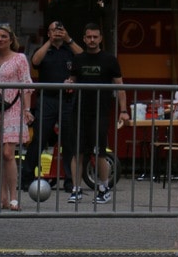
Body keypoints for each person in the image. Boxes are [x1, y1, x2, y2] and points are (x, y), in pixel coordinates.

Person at [68, 23, 129, 204]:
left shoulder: (110, 60)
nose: (92, 40)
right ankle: (76, 190)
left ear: (101, 38)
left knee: (100, 152)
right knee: (77, 152)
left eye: (95, 37)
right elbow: (71, 81)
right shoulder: (78, 59)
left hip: (101, 112)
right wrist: (68, 84)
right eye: (89, 37)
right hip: (79, 111)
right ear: (84, 38)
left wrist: (124, 111)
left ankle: (104, 189)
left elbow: (120, 87)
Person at [20, 21, 83, 190]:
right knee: (39, 139)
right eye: (53, 30)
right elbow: (35, 61)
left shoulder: (70, 49)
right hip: (47, 99)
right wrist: (49, 42)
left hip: (68, 100)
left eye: (60, 30)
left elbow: (84, 59)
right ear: (48, 33)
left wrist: (68, 39)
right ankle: (25, 178)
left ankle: (70, 181)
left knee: (68, 141)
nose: (57, 32)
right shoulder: (43, 49)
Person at [0, 23, 34, 211]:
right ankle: (1, 197)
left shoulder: (20, 58)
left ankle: (14, 198)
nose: (0, 39)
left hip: (13, 108)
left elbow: (26, 84)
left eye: (4, 36)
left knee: (8, 153)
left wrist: (27, 110)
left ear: (11, 39)